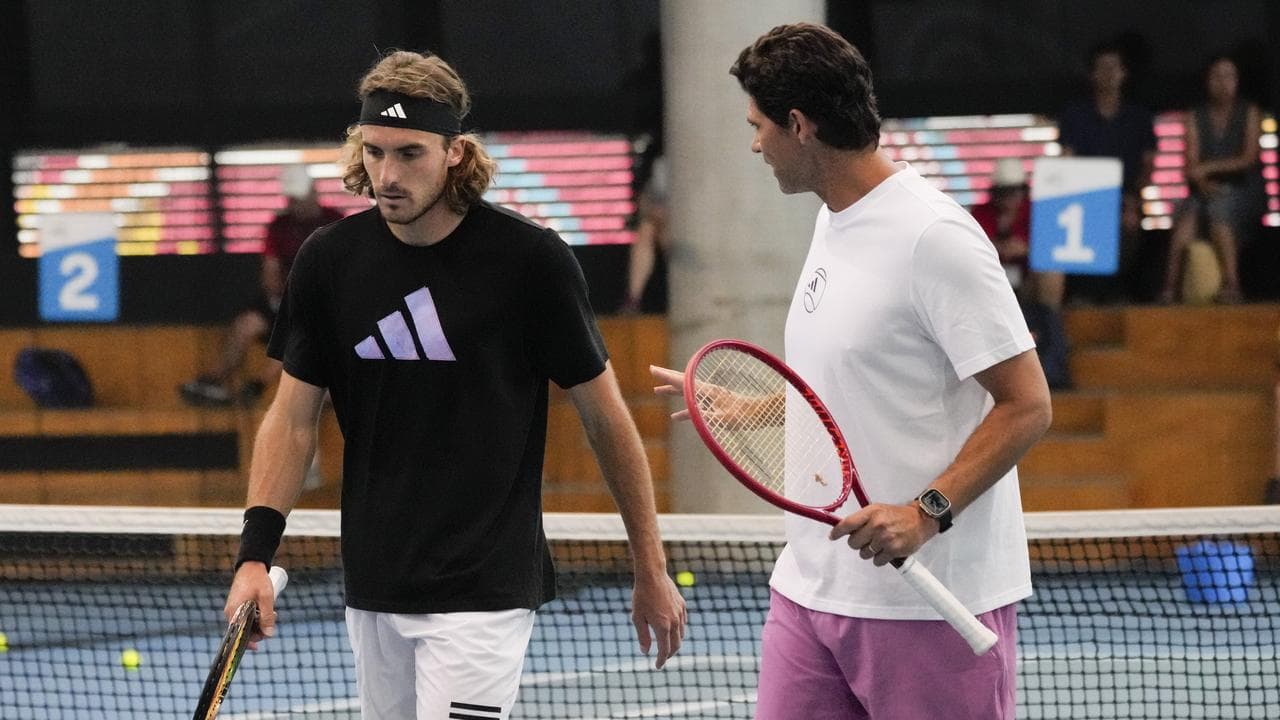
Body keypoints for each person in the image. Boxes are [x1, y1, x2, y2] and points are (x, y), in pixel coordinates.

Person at [222, 50, 685, 720]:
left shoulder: (531, 262)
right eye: (374, 152)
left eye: (410, 153)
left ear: (457, 153)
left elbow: (605, 417)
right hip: (375, 585)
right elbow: (292, 419)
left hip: (485, 590)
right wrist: (253, 557)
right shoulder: (328, 263)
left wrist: (650, 564)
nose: (388, 174)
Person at [651, 24, 1051, 719]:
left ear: (799, 126)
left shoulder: (937, 239)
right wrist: (762, 408)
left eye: (758, 126)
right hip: (808, 591)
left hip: (928, 599)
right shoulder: (833, 219)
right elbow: (857, 372)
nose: (753, 145)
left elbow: (1027, 405)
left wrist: (926, 514)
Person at [180, 165, 343, 406]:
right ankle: (213, 380)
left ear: (313, 192)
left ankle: (256, 386)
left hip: (321, 307)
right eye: (293, 199)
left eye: (301, 197)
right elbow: (270, 269)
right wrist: (278, 297)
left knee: (299, 334)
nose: (297, 204)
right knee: (246, 324)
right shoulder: (279, 226)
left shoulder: (335, 222)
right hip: (284, 300)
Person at [1158, 54, 1262, 305]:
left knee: (1219, 209)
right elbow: (1191, 164)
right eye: (1217, 76)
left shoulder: (1249, 112)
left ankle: (1231, 284)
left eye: (1229, 76)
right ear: (1207, 80)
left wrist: (1207, 169)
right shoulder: (1196, 115)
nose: (1223, 82)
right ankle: (1170, 288)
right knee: (1187, 217)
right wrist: (1202, 181)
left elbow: (1248, 158)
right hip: (1202, 190)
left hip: (1243, 189)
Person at [970, 158, 1071, 389]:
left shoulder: (1036, 212)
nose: (1008, 200)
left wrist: (1026, 249)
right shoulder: (981, 212)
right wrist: (996, 249)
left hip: (1027, 281)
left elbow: (1052, 247)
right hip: (992, 284)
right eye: (1003, 193)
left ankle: (1054, 358)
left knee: (1051, 274)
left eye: (1013, 192)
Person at [1057, 41, 1157, 194]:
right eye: (1103, 67)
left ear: (1123, 73)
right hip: (1084, 193)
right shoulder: (1074, 114)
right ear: (1093, 74)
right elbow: (1066, 158)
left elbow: (1148, 162)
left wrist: (1134, 195)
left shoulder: (1139, 116)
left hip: (1128, 197)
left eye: (1114, 67)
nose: (1108, 73)